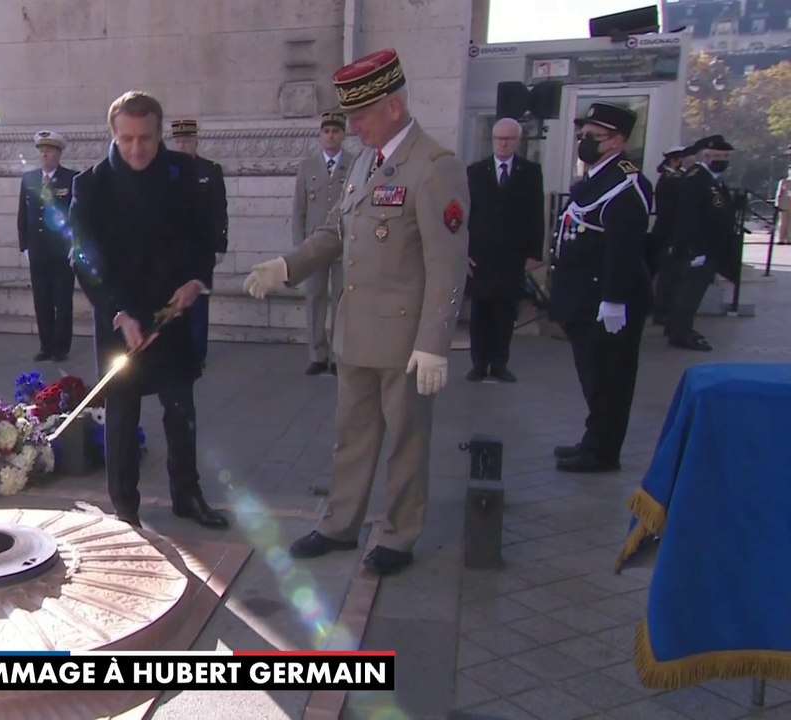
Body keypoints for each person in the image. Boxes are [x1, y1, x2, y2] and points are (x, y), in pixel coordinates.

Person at [243, 49, 469, 575]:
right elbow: (334, 232)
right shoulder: (365, 161)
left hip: (405, 341)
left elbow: (447, 265)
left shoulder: (434, 167)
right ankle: (340, 525)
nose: (353, 128)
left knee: (406, 441)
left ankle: (399, 534)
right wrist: (287, 265)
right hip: (355, 332)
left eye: (361, 116)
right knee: (353, 437)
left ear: (392, 107)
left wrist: (434, 343)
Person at [70, 90, 228, 531]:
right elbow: (84, 259)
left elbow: (202, 238)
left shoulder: (184, 174)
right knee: (123, 414)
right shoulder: (91, 185)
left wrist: (196, 281)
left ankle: (187, 495)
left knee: (181, 409)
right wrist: (118, 312)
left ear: (160, 134)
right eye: (127, 139)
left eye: (146, 138)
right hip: (121, 317)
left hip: (172, 313)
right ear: (112, 133)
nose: (137, 149)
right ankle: (125, 509)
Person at [550, 102, 653, 473]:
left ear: (617, 141)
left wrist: (613, 299)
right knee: (593, 377)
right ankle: (593, 440)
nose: (585, 141)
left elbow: (623, 248)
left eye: (593, 136)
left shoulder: (626, 184)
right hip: (583, 297)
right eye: (583, 134)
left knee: (610, 379)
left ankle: (603, 452)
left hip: (605, 301)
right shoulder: (596, 177)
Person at [464, 117, 544, 383]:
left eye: (509, 139)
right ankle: (479, 363)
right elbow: (465, 214)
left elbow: (536, 213)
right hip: (481, 255)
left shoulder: (530, 172)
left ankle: (499, 363)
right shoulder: (476, 171)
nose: (503, 143)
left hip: (513, 255)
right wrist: (463, 252)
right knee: (481, 312)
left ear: (518, 141)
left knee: (506, 312)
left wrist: (534, 254)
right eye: (499, 139)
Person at [292, 111, 357, 376]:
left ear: (343, 135)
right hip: (314, 244)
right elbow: (299, 210)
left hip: (343, 243)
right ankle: (317, 354)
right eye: (326, 131)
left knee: (342, 301)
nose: (330, 136)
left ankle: (338, 355)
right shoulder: (307, 166)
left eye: (335, 131)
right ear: (320, 135)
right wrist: (300, 248)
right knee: (315, 298)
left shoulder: (354, 164)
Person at [665, 134, 736, 352]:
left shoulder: (712, 179)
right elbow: (688, 217)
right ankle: (680, 333)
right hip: (698, 247)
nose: (722, 161)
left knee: (692, 292)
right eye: (717, 157)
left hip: (711, 245)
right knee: (689, 292)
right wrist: (696, 249)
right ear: (706, 157)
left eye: (725, 157)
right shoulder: (695, 179)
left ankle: (680, 327)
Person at [169, 119, 228, 369]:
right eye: (179, 141)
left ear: (196, 142)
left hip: (201, 248)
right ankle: (177, 351)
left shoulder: (210, 170)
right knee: (174, 301)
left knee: (199, 301)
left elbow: (219, 209)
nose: (183, 145)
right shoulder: (165, 170)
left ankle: (197, 354)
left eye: (188, 141)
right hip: (173, 249)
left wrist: (220, 244)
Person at [17, 130, 78, 362]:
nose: (44, 154)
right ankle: (46, 345)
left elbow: (78, 216)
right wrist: (24, 245)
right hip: (37, 250)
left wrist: (76, 244)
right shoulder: (29, 179)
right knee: (42, 300)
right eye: (41, 150)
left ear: (58, 153)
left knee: (62, 301)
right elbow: (23, 214)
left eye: (49, 150)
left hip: (61, 251)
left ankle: (60, 347)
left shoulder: (71, 178)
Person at [650, 145, 691, 327]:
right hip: (668, 232)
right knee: (667, 273)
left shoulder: (677, 178)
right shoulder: (669, 180)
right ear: (675, 160)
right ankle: (661, 311)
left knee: (674, 274)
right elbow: (668, 210)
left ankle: (667, 310)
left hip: (673, 231)